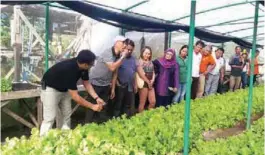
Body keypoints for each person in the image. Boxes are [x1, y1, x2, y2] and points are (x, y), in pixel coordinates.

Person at [40, 50, 104, 136]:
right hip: (50, 88)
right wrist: (92, 106)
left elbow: (86, 83)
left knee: (66, 115)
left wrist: (96, 98)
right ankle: (43, 140)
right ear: (85, 64)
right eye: (91, 64)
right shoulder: (69, 69)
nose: (91, 66)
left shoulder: (83, 68)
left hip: (65, 88)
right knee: (50, 117)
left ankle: (64, 137)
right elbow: (75, 97)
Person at [85, 36, 129, 123]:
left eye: (125, 43)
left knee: (103, 106)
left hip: (105, 84)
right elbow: (112, 67)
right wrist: (122, 57)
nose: (125, 46)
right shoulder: (107, 52)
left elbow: (115, 72)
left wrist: (112, 89)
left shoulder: (119, 56)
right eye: (123, 43)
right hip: (95, 82)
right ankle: (87, 125)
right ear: (116, 43)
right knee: (92, 105)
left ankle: (100, 126)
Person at [113, 40, 151, 117]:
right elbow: (114, 72)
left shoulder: (134, 59)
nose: (129, 51)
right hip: (120, 85)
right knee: (118, 104)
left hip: (130, 86)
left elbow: (137, 72)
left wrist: (137, 84)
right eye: (128, 49)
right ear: (124, 48)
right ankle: (115, 120)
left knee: (127, 105)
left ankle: (125, 121)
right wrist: (115, 85)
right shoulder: (119, 58)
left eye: (131, 49)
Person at [138, 46, 156, 112]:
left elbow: (153, 72)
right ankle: (140, 118)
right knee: (142, 103)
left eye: (149, 53)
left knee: (153, 102)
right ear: (142, 53)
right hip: (143, 84)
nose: (147, 55)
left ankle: (148, 116)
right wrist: (148, 82)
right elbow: (141, 75)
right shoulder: (139, 62)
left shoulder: (150, 61)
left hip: (151, 83)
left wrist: (153, 80)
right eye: (146, 53)